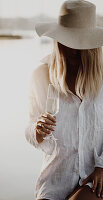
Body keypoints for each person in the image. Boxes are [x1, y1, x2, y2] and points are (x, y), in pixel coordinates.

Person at [25, 0, 103, 199]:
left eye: (81, 42)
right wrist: (38, 131)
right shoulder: (41, 75)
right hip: (54, 181)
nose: (74, 50)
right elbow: (30, 129)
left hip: (97, 179)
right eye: (69, 41)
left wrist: (102, 166)